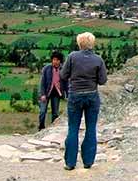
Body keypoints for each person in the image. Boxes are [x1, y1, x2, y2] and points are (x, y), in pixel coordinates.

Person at [60, 32, 107, 170]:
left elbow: (63, 75)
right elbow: (103, 80)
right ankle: (88, 161)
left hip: (75, 94)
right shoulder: (98, 60)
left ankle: (70, 163)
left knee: (73, 128)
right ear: (92, 43)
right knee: (91, 128)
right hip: (92, 95)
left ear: (80, 43)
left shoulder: (72, 57)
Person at [38, 51, 68, 130]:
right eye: (54, 60)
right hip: (46, 92)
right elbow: (42, 82)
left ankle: (52, 128)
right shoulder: (46, 69)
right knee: (42, 111)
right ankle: (41, 127)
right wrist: (42, 94)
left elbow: (66, 82)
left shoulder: (63, 69)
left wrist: (67, 94)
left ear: (60, 61)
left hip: (56, 93)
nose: (55, 62)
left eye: (57, 60)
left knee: (55, 113)